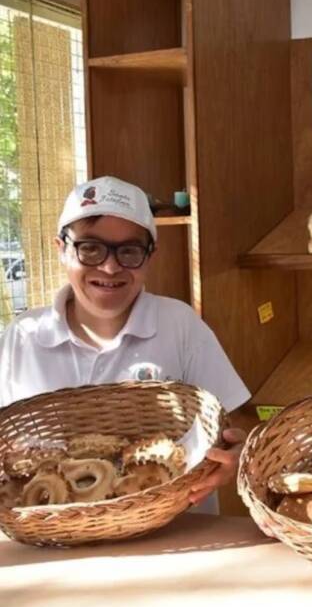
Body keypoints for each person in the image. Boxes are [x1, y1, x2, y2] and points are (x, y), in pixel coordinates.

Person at [0, 176, 249, 509]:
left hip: (177, 535)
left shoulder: (178, 325)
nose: (109, 266)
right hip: (52, 541)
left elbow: (241, 419)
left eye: (129, 251)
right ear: (61, 249)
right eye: (89, 248)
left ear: (150, 255)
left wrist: (237, 452)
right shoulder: (25, 337)